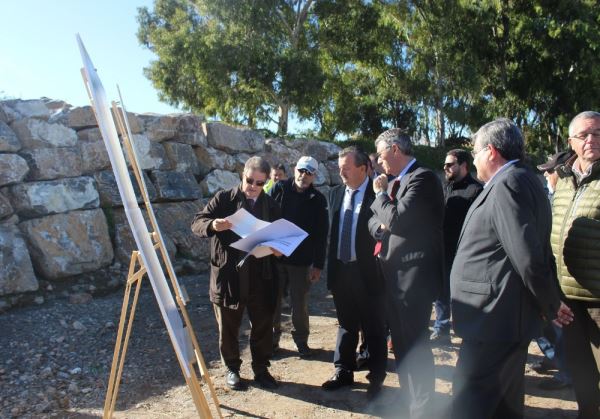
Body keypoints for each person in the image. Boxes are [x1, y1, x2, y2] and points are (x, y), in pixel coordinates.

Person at [450, 118, 573, 419]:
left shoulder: (508, 184)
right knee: (503, 404)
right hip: (501, 317)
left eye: (476, 152)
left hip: (493, 318)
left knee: (471, 403)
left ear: (491, 152)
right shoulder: (522, 178)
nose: (475, 159)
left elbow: (528, 255)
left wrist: (550, 303)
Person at [369, 128, 445, 417]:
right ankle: (409, 401)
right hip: (392, 274)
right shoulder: (394, 182)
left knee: (415, 343)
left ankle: (424, 408)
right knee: (400, 343)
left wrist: (380, 195)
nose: (378, 160)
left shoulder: (423, 178)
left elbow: (397, 219)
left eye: (381, 153)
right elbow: (374, 220)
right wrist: (380, 226)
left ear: (396, 150)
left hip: (414, 276)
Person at [191, 156, 281, 390]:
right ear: (242, 175)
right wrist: (213, 225)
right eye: (249, 180)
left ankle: (261, 369)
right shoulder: (223, 199)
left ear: (266, 183)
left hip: (262, 277)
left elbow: (281, 238)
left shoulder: (271, 205)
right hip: (229, 277)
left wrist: (280, 250)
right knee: (228, 327)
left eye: (260, 183)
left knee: (262, 326)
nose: (253, 187)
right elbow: (197, 223)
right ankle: (232, 369)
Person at [321, 147, 387, 400]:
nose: (341, 172)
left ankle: (376, 379)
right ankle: (343, 370)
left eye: (346, 167)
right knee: (346, 324)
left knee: (374, 327)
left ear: (363, 168)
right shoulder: (335, 194)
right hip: (341, 270)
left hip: (369, 272)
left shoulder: (378, 194)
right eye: (339, 167)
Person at [551, 111, 600, 419]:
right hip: (568, 303)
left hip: (599, 302)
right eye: (583, 135)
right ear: (571, 142)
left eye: (598, 133)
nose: (591, 140)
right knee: (582, 380)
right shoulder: (564, 182)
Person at [270, 156, 328, 357]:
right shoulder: (278, 188)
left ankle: (301, 341)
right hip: (275, 257)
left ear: (315, 176)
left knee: (299, 304)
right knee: (273, 302)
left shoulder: (318, 200)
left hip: (301, 261)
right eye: (302, 170)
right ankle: (272, 341)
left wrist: (318, 265)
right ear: (295, 169)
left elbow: (321, 235)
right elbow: (265, 218)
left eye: (309, 172)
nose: (304, 175)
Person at [530, 150, 574, 391]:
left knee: (559, 324)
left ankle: (566, 374)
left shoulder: (564, 197)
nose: (546, 175)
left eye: (549, 170)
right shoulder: (551, 196)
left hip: (562, 274)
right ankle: (554, 358)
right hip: (547, 271)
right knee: (544, 323)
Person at [431, 149, 482, 344]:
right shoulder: (445, 188)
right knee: (441, 291)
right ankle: (441, 330)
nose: (446, 167)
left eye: (450, 164)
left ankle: (470, 333)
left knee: (464, 295)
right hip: (442, 249)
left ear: (464, 166)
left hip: (464, 252)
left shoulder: (477, 190)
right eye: (445, 164)